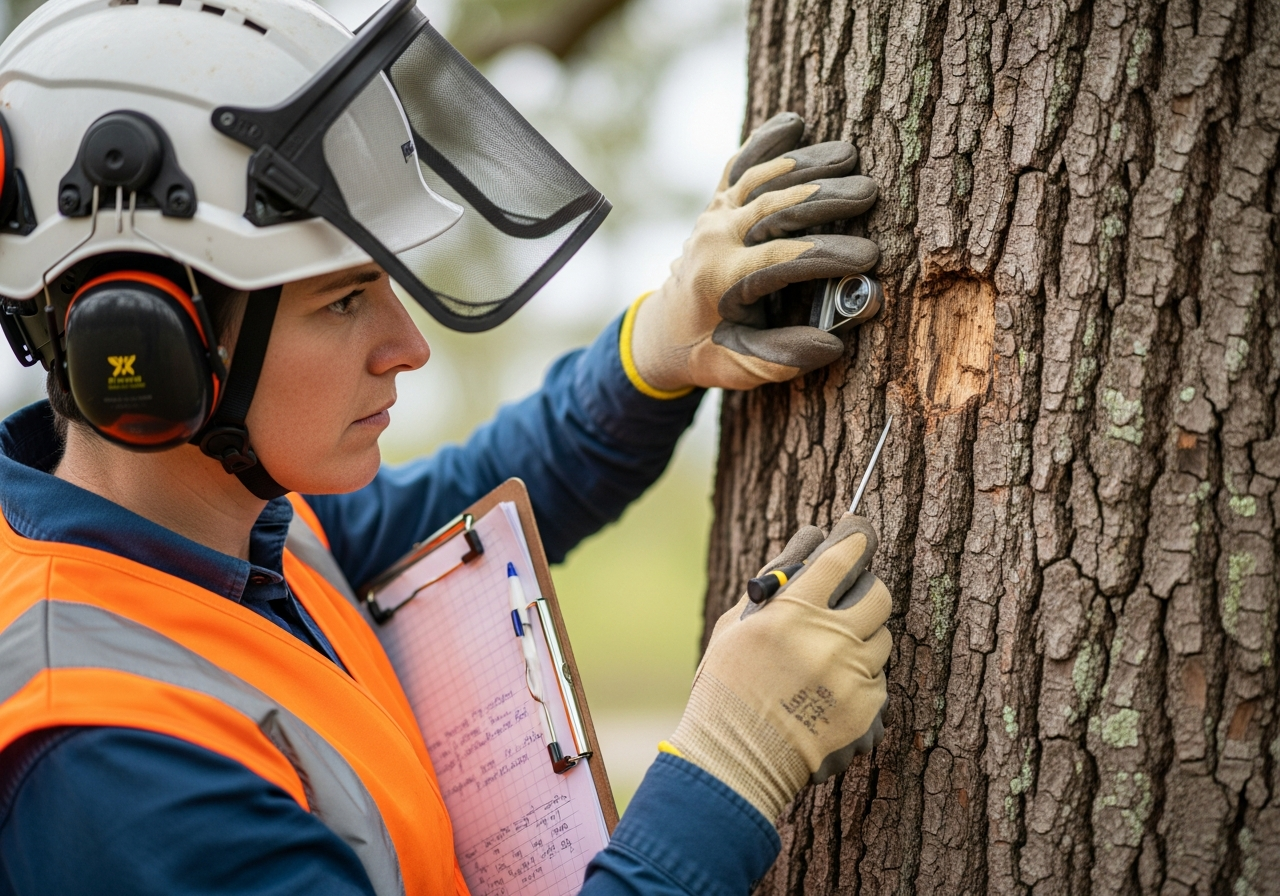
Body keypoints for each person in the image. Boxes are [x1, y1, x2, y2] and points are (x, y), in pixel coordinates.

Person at [0, 0, 893, 893]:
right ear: (147, 345)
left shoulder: (232, 527)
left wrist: (651, 354)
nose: (408, 346)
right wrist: (727, 772)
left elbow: (463, 516)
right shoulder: (109, 755)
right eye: (343, 302)